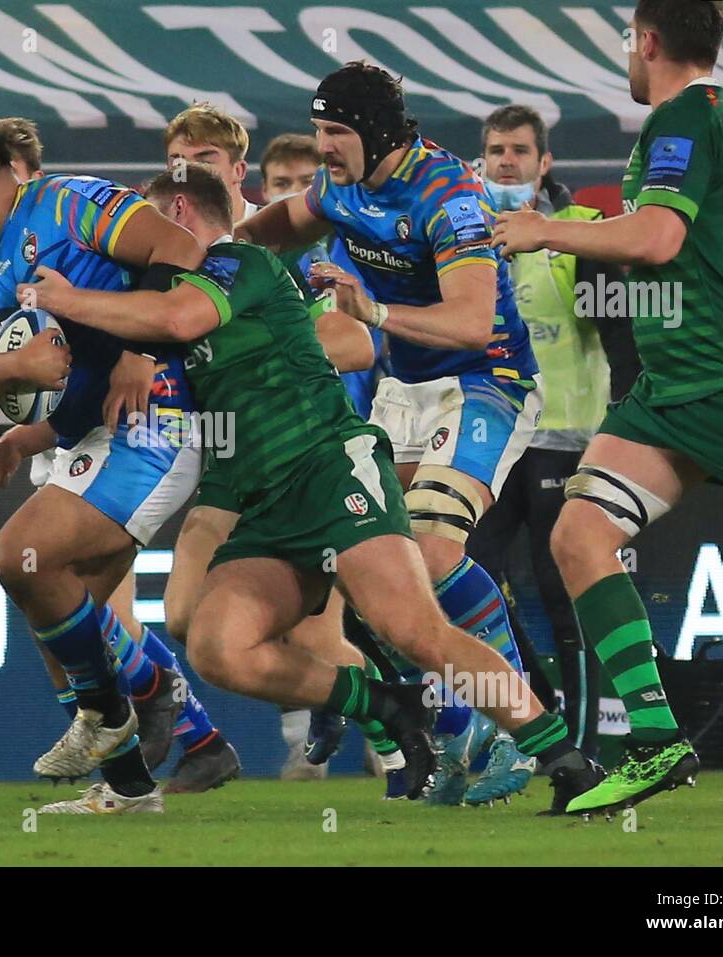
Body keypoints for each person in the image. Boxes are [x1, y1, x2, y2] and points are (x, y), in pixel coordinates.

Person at [11, 162, 605, 813]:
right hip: (259, 501)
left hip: (329, 472)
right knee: (216, 643)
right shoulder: (159, 307)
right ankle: (382, 702)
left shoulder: (240, 264)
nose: (133, 251)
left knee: (416, 629)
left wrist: (62, 297)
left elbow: (177, 318)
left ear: (178, 214)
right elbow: (120, 370)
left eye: (144, 228)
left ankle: (565, 758)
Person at [492, 0, 723, 814]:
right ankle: (654, 740)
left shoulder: (684, 119)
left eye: (626, 42)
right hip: (670, 388)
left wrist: (547, 230)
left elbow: (655, 239)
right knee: (581, 534)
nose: (627, 57)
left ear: (647, 41)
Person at [236, 61, 541, 808]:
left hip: (484, 381)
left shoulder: (449, 195)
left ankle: (513, 725)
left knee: (433, 553)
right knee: (365, 561)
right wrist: (213, 264)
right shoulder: (342, 182)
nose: (324, 147)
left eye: (335, 132)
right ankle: (461, 724)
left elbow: (473, 321)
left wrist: (370, 314)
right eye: (317, 130)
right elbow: (277, 225)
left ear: (374, 131)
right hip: (404, 390)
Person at [0, 116, 207, 814]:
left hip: (157, 413)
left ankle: (118, 713)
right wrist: (19, 371)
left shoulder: (70, 205)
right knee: (54, 609)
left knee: (20, 554)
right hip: (89, 431)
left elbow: (179, 246)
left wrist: (142, 351)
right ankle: (131, 785)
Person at [160, 107, 383, 787]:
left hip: (306, 456)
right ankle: (364, 707)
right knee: (183, 614)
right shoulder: (165, 246)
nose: (185, 170)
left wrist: (260, 353)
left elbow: (357, 339)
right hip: (231, 465)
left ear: (235, 170)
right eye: (176, 158)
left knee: (319, 632)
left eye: (201, 157)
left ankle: (399, 730)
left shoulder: (276, 247)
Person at [464, 105, 638, 790]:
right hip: (490, 441)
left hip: (569, 441)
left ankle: (585, 747)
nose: (505, 161)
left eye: (519, 150)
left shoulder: (581, 237)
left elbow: (621, 342)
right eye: (495, 150)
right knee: (466, 579)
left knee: (562, 589)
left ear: (545, 164)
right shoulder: (464, 234)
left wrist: (624, 433)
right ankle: (546, 721)